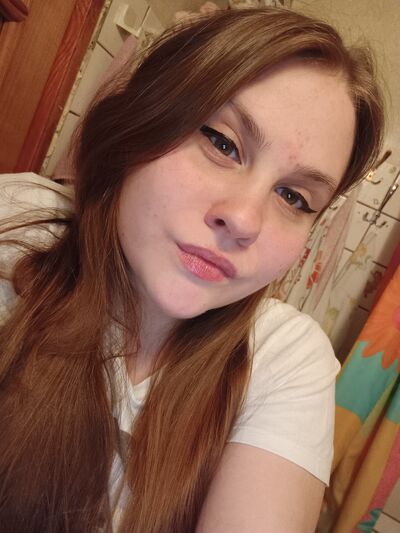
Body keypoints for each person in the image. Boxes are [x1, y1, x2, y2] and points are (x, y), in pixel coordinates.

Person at [0, 7, 384, 533]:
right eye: (223, 143)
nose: (244, 219)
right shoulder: (16, 225)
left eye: (293, 197)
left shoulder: (282, 356)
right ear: (141, 122)